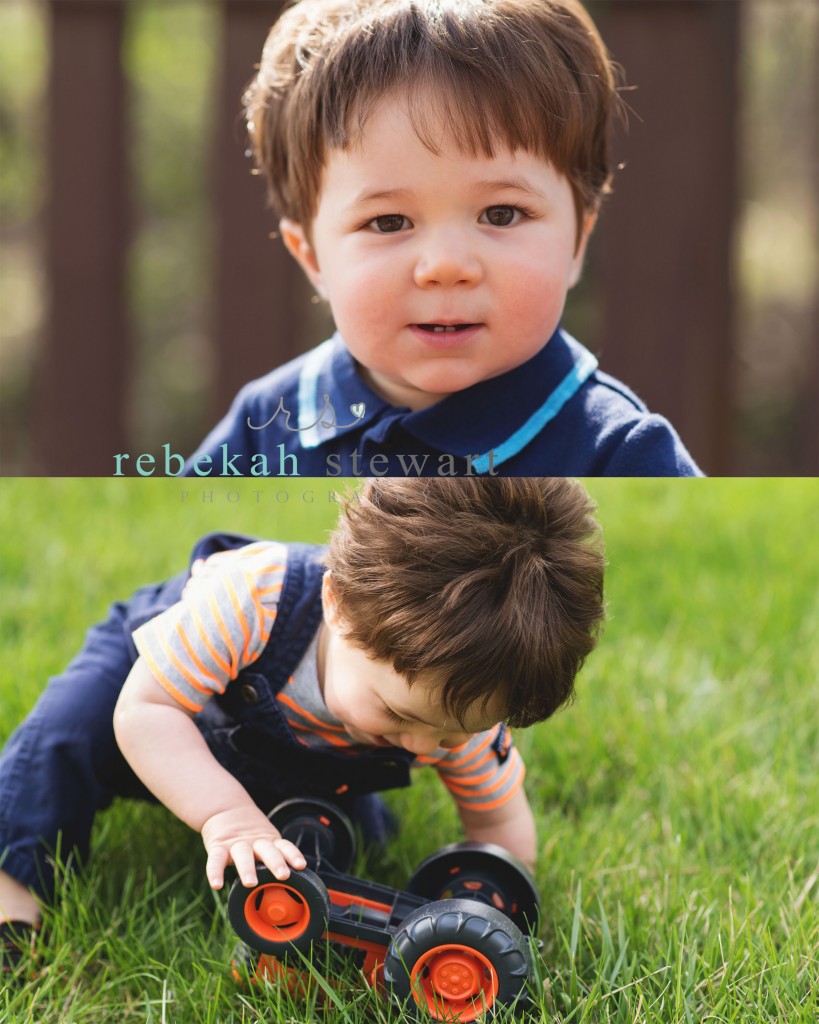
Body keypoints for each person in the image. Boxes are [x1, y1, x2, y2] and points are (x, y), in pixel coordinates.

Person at [0, 477, 605, 976]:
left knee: (366, 838)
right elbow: (145, 712)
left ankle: (302, 827)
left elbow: (497, 824)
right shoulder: (248, 599)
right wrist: (224, 816)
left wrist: (498, 904)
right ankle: (12, 902)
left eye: (451, 736)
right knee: (61, 736)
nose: (425, 746)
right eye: (398, 714)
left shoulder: (460, 704)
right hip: (161, 697)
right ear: (336, 605)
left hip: (293, 758)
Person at [180, 0, 701, 478]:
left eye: (501, 213)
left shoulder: (621, 453)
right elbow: (182, 573)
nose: (446, 265)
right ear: (312, 257)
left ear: (578, 243)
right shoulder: (265, 429)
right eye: (388, 222)